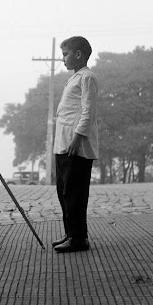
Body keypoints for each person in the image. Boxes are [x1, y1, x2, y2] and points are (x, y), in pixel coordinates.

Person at [52, 36, 99, 253]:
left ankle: (79, 238)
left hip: (75, 146)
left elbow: (88, 112)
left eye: (65, 54)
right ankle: (71, 233)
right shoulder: (74, 78)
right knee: (64, 191)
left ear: (78, 54)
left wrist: (77, 138)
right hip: (63, 144)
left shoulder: (87, 78)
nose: (63, 59)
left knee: (75, 193)